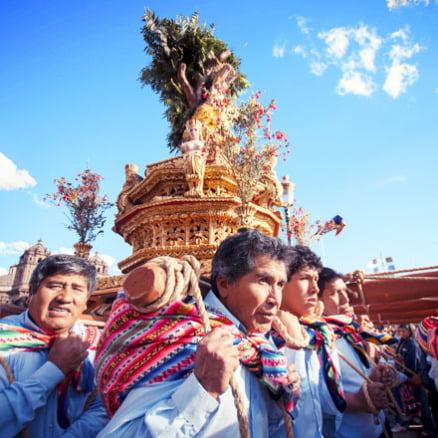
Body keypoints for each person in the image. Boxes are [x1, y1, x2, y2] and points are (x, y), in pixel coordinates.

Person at [96, 229, 297, 437]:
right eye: (263, 281)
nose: (275, 298)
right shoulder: (181, 340)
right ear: (224, 284)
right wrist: (203, 389)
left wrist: (282, 402)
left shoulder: (261, 353)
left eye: (280, 284)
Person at [0, 254, 109, 437]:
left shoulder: (98, 345)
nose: (65, 298)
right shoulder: (4, 340)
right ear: (31, 292)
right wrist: (55, 369)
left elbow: (104, 407)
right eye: (55, 286)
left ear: (86, 303)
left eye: (77, 289)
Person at [276, 245, 345, 437]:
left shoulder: (317, 335)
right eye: (305, 278)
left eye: (315, 279)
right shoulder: (266, 340)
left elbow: (327, 404)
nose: (315, 289)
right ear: (280, 282)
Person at [318, 267, 393, 438]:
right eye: (334, 293)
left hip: (377, 428)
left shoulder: (351, 335)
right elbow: (315, 396)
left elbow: (359, 380)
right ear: (316, 299)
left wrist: (374, 376)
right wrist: (358, 400)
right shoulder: (317, 340)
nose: (345, 299)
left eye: (345, 291)